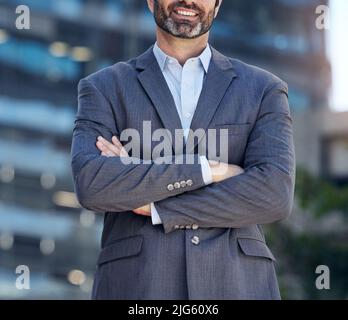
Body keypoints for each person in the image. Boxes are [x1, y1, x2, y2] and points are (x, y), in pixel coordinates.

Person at [71, 0, 295, 300]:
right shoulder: (104, 88)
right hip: (139, 287)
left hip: (238, 285)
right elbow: (92, 184)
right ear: (151, 1)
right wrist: (209, 170)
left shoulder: (264, 90)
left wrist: (158, 207)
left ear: (217, 5)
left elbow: (274, 194)